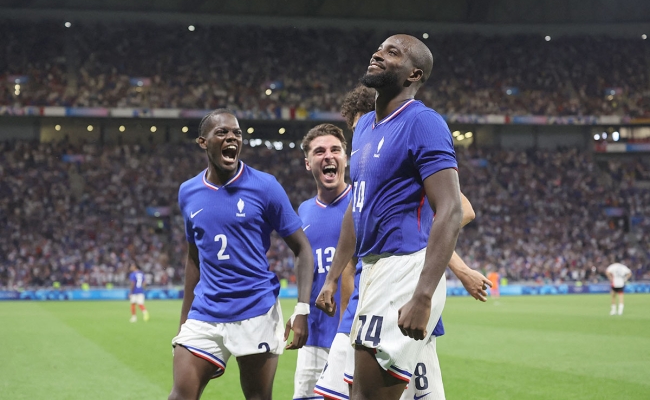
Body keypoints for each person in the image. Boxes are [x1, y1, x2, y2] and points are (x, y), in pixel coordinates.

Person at [315, 85, 491, 400]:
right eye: (356, 130)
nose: (362, 135)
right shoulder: (365, 174)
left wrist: (459, 268)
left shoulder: (405, 154)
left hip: (400, 286)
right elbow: (354, 223)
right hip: (373, 289)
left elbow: (459, 209)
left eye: (363, 125)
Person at [168, 110, 314, 400]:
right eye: (222, 132)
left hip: (255, 310)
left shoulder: (265, 186)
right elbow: (194, 257)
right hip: (206, 311)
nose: (232, 138)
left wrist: (302, 309)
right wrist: (185, 319)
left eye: (236, 133)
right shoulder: (188, 192)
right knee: (179, 396)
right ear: (203, 142)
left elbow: (302, 248)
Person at [293, 123, 352, 400]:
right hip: (314, 337)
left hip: (354, 334)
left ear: (345, 158)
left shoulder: (364, 202)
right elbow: (304, 265)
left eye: (335, 150)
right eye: (319, 151)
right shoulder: (304, 210)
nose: (328, 156)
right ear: (308, 163)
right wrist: (300, 310)